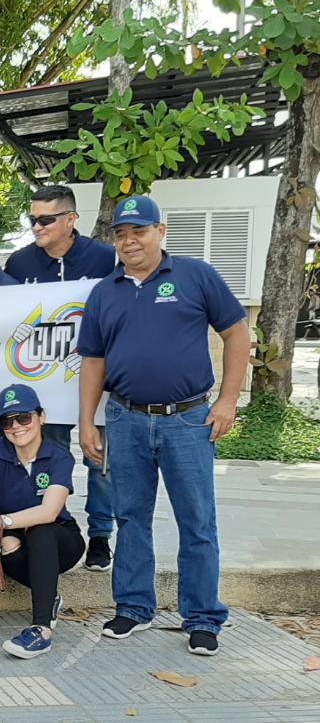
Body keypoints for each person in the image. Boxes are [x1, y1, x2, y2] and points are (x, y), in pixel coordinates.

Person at [77, 195, 250, 656]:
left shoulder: (196, 275)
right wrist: (87, 421)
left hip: (188, 420)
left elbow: (236, 331)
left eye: (139, 231)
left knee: (197, 521)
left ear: (161, 231)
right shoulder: (105, 291)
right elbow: (92, 360)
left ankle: (203, 617)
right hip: (125, 418)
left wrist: (228, 400)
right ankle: (134, 607)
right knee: (130, 517)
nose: (129, 241)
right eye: (121, 234)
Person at [5, 184, 118, 572]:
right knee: (48, 458)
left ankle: (100, 535)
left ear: (71, 219)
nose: (37, 226)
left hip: (95, 378)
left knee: (99, 460)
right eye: (32, 219)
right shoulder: (18, 263)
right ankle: (55, 522)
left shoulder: (104, 258)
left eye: (46, 219)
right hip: (43, 383)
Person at [0, 384, 84, 660]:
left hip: (60, 539)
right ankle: (49, 597)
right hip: (15, 536)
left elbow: (49, 512)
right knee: (6, 546)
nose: (16, 427)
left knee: (40, 529)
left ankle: (41, 631)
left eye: (24, 418)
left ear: (41, 417)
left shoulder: (59, 456)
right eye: (7, 421)